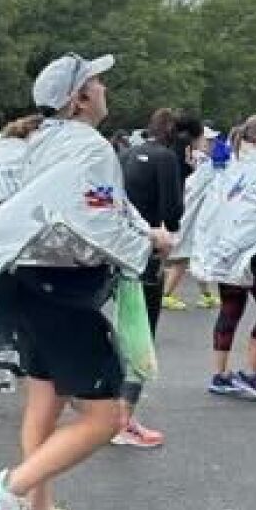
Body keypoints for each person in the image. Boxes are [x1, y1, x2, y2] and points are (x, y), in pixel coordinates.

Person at [0, 53, 171, 510]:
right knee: (105, 418)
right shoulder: (89, 147)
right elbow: (98, 219)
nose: (104, 89)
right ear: (79, 98)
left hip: (28, 284)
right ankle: (5, 491)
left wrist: (142, 232)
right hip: (66, 292)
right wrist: (150, 245)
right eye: (97, 83)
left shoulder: (41, 142)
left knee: (45, 401)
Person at [112, 108, 183, 448]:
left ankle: (112, 412)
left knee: (119, 328)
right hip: (146, 250)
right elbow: (171, 210)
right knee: (141, 332)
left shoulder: (125, 154)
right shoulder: (166, 158)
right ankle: (124, 419)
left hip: (117, 250)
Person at [191, 114, 256, 399]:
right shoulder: (253, 170)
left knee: (230, 310)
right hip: (250, 252)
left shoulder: (227, 167)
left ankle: (220, 375)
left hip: (223, 252)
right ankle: (253, 374)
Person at [162, 120, 221, 310]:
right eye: (209, 140)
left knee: (194, 257)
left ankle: (206, 295)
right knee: (184, 257)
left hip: (192, 218)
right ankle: (166, 294)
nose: (212, 144)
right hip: (190, 219)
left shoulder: (195, 159)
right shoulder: (204, 163)